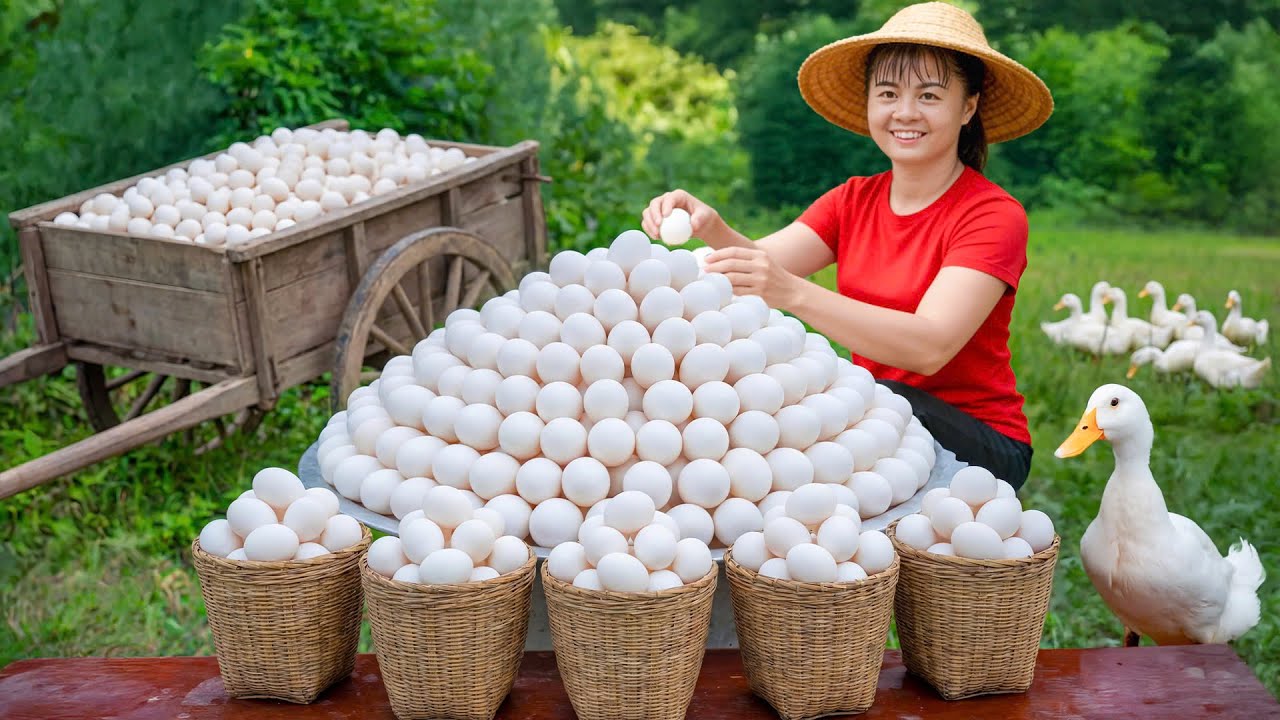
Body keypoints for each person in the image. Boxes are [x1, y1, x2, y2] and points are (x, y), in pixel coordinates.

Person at [641, 2, 1053, 488]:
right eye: (888, 93)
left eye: (929, 96)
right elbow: (757, 269)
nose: (905, 112)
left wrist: (793, 293)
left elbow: (930, 346)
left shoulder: (992, 215)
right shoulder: (854, 199)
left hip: (976, 436)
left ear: (968, 107)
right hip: (879, 413)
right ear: (869, 104)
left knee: (851, 405)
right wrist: (710, 227)